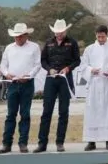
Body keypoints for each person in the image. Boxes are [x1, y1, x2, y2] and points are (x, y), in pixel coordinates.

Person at [35, 19, 80, 154]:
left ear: (66, 31)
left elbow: (77, 60)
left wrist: (68, 68)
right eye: (57, 32)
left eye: (61, 32)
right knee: (46, 111)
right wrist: (49, 69)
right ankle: (42, 143)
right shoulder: (48, 43)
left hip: (65, 79)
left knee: (63, 112)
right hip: (51, 78)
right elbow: (43, 60)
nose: (59, 34)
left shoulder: (72, 43)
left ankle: (60, 142)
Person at [0, 23, 41, 154]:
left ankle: (23, 143)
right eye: (16, 36)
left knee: (25, 114)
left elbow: (37, 64)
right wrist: (6, 74)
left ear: (26, 35)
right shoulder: (9, 48)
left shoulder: (34, 47)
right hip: (12, 83)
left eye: (20, 36)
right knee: (10, 114)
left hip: (27, 84)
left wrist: (29, 76)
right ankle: (7, 143)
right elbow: (3, 65)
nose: (18, 38)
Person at [80, 25, 108, 151]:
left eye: (103, 36)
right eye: (98, 36)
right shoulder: (89, 49)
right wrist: (91, 70)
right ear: (95, 35)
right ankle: (91, 141)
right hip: (94, 83)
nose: (101, 39)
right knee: (92, 112)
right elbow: (83, 66)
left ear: (107, 35)